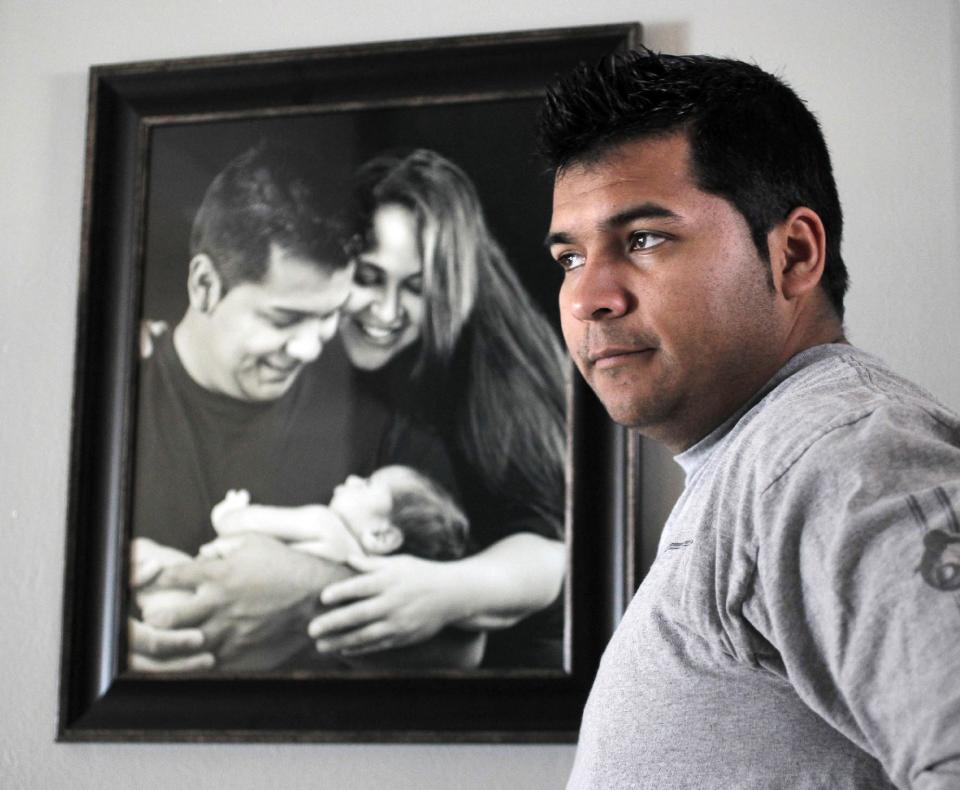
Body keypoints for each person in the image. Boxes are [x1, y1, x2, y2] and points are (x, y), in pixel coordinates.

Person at [538, 49, 960, 787]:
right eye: (570, 258)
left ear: (794, 254)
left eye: (643, 239)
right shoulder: (761, 463)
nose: (588, 298)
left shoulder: (838, 455)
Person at [129, 142, 467, 672]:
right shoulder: (108, 403)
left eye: (329, 315)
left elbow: (460, 651)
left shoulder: (387, 442)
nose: (310, 349)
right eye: (284, 320)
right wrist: (89, 632)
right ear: (203, 286)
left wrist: (311, 588)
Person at [304, 149, 568, 668]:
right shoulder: (311, 343)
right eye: (369, 277)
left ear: (448, 288)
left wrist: (439, 592)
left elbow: (548, 556)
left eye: (416, 290)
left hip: (509, 671)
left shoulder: (499, 373)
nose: (384, 312)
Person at [202, 465, 470, 564]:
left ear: (382, 536)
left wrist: (230, 512)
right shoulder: (356, 573)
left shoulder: (324, 524)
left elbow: (241, 524)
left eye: (366, 484)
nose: (353, 478)